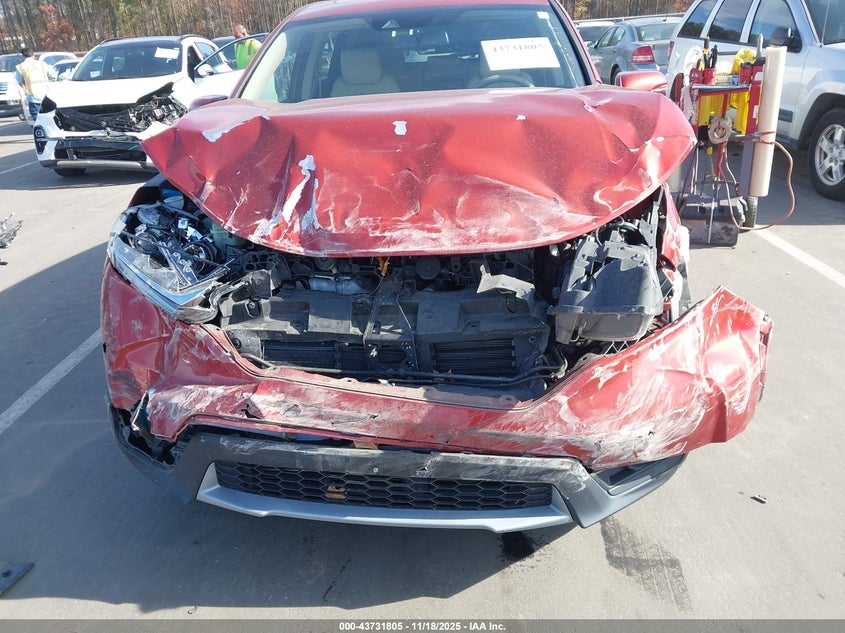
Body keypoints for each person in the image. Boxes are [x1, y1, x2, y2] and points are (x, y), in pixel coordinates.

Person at [15, 47, 51, 121]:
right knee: (50, 119)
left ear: (23, 56)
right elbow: (52, 75)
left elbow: (19, 81)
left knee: (38, 120)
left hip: (33, 97)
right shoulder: (42, 64)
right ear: (33, 54)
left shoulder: (21, 67)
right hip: (46, 95)